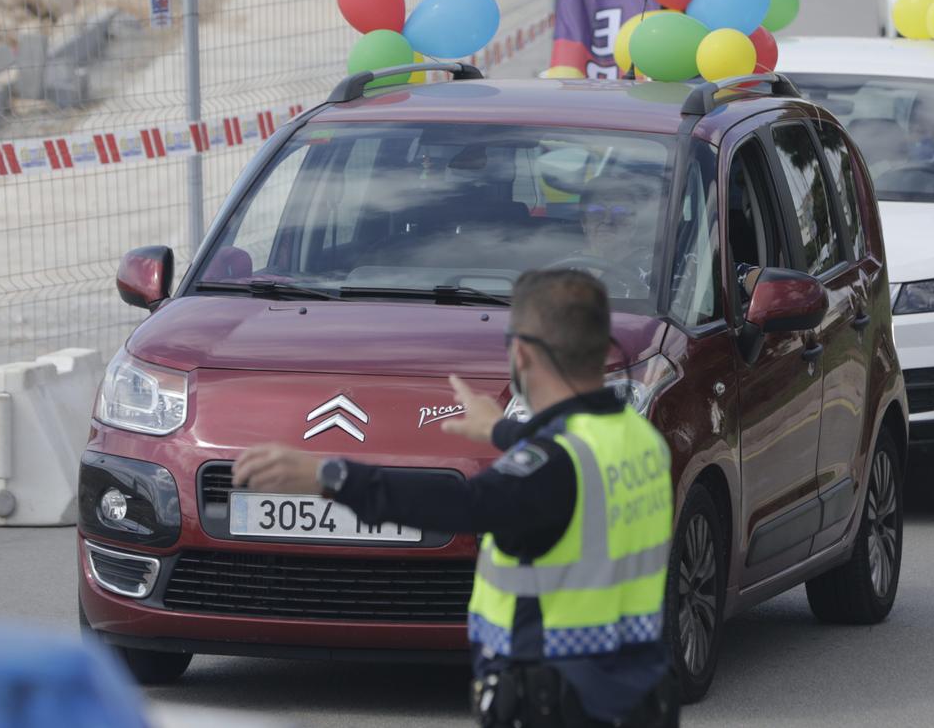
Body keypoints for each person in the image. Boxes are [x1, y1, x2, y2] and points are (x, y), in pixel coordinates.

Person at [234, 269, 677, 728]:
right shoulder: (640, 441)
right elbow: (569, 456)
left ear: (521, 354)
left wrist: (330, 475)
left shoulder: (554, 467)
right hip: (636, 693)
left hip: (562, 702)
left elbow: (462, 501)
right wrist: (504, 431)